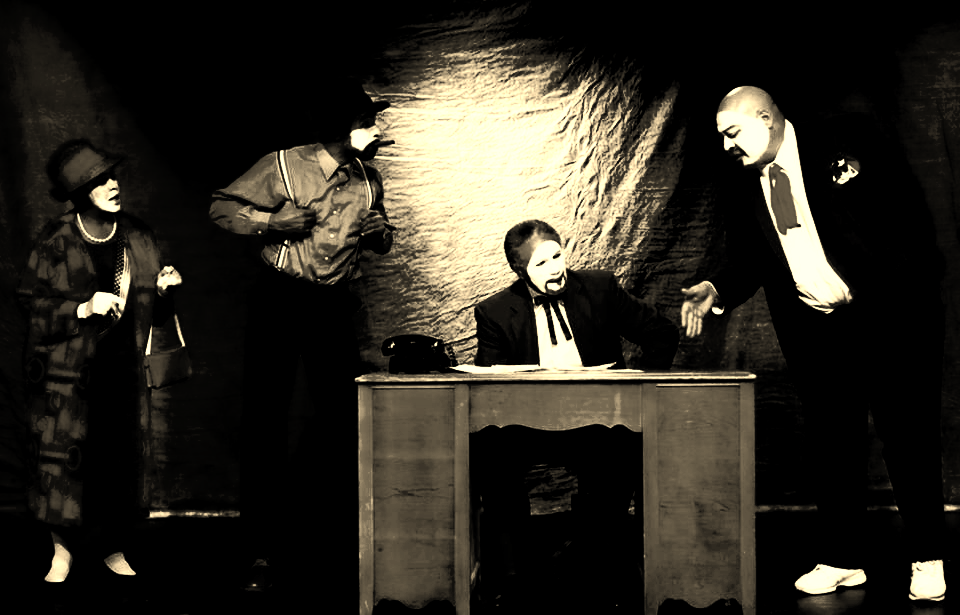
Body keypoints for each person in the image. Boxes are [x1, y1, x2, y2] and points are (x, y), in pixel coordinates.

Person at [681, 86, 947, 601]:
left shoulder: (847, 138)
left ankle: (928, 556)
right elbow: (751, 257)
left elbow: (908, 216)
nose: (727, 146)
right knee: (833, 441)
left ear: (766, 118)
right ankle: (844, 559)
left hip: (893, 318)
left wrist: (900, 291)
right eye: (722, 138)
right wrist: (717, 288)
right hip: (820, 331)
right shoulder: (743, 182)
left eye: (733, 132)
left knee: (908, 437)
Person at [208, 79, 393, 592]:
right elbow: (220, 207)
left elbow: (380, 235)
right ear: (342, 129)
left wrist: (381, 236)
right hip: (281, 299)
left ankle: (328, 538)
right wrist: (271, 221)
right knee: (266, 418)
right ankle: (260, 549)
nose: (377, 131)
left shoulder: (369, 178)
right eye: (367, 122)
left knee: (342, 420)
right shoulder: (285, 165)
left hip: (332, 304)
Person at [473, 219, 679, 606]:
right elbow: (489, 387)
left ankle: (596, 561)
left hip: (597, 423)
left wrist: (641, 392)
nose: (555, 268)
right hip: (527, 426)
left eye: (557, 255)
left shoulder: (600, 288)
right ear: (519, 270)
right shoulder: (495, 312)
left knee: (623, 449)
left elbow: (661, 333)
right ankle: (514, 577)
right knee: (491, 453)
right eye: (541, 263)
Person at [18, 138, 183, 582]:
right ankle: (61, 551)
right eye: (100, 180)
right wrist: (81, 308)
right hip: (66, 377)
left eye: (112, 177)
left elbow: (149, 312)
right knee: (65, 466)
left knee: (117, 462)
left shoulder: (138, 235)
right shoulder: (56, 239)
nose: (113, 185)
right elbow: (30, 305)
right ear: (79, 191)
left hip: (122, 372)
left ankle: (113, 546)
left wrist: (162, 291)